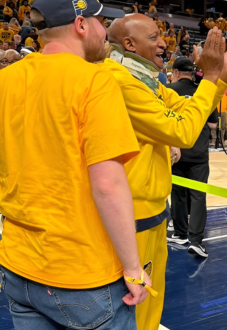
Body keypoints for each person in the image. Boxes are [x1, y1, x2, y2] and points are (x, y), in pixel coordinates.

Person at [0, 1, 153, 329]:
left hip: (18, 265)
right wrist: (132, 268)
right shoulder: (94, 82)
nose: (105, 32)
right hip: (83, 273)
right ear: (81, 25)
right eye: (101, 23)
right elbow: (107, 184)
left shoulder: (7, 79)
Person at [103, 17, 227, 330]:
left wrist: (220, 79)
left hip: (152, 209)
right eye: (154, 37)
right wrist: (209, 76)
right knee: (130, 309)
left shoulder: (146, 79)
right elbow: (181, 130)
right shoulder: (119, 79)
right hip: (131, 216)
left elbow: (184, 106)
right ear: (129, 44)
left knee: (150, 304)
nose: (164, 43)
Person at [166, 57, 218, 255]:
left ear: (177, 73)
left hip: (176, 149)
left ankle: (180, 234)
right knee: (198, 196)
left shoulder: (169, 90)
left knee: (178, 193)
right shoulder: (201, 91)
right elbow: (213, 124)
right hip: (198, 151)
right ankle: (196, 240)